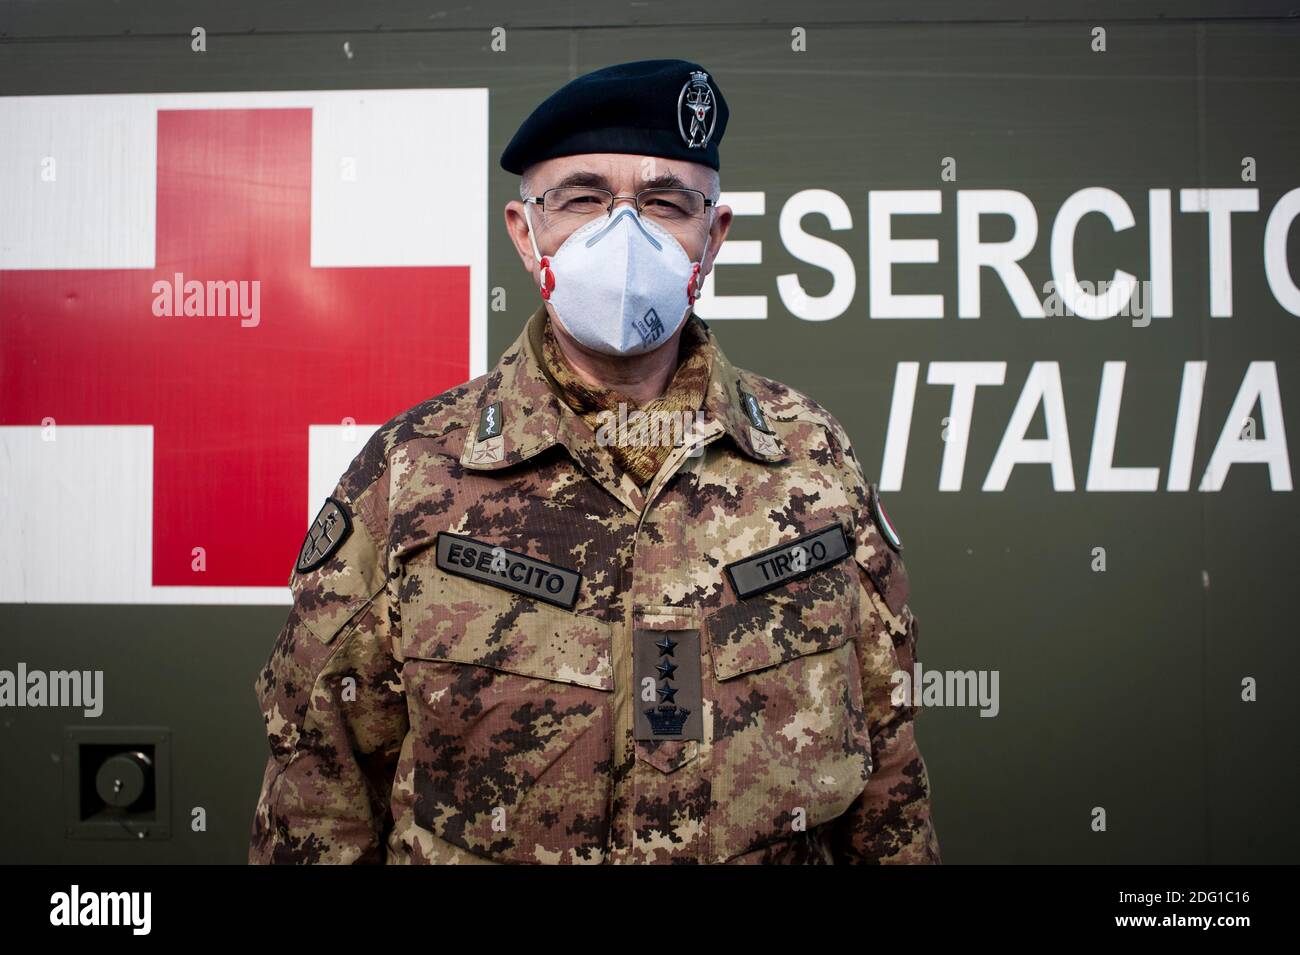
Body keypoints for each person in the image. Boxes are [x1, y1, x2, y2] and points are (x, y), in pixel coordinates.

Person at [249, 58, 941, 864]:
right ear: (525, 230)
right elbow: (319, 793)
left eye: (664, 203)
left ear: (711, 237)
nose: (624, 234)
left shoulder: (812, 459)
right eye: (582, 199)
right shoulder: (409, 476)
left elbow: (888, 771)